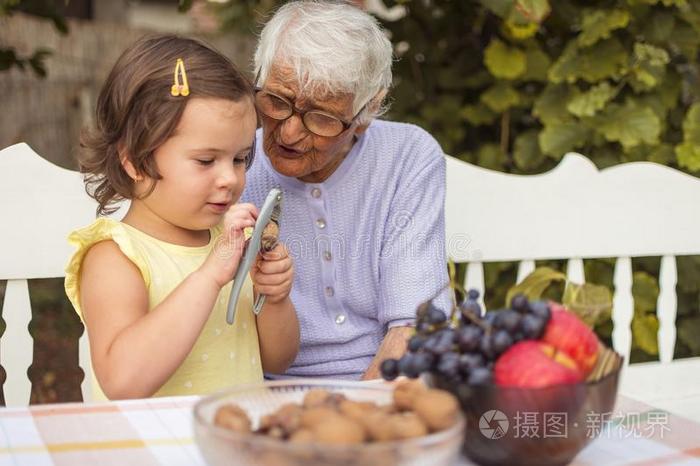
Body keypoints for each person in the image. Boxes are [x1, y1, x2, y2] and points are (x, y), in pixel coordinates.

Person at [64, 35, 299, 400]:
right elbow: (122, 381)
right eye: (206, 161)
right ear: (135, 161)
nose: (230, 178)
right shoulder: (116, 256)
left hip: (235, 444)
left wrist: (274, 298)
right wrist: (209, 277)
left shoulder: (234, 241)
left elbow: (278, 360)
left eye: (239, 159)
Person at [242, 1, 450, 380]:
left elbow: (412, 327)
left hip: (388, 384)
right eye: (276, 101)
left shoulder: (407, 158)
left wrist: (359, 417)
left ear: (366, 112)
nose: (288, 133)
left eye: (321, 116)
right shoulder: (232, 165)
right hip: (261, 388)